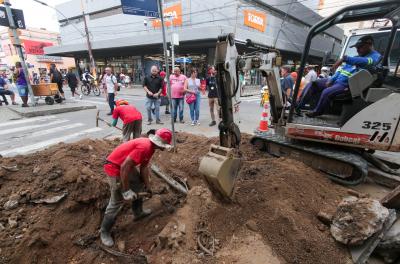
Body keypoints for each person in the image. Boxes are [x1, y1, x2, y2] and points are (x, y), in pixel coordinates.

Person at [100, 128, 172, 247]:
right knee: (116, 200)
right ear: (160, 143)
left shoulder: (151, 148)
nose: (165, 148)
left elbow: (143, 167)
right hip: (114, 167)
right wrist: (127, 190)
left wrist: (148, 186)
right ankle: (104, 232)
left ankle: (138, 212)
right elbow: (124, 167)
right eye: (165, 145)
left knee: (139, 183)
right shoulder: (144, 147)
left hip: (124, 165)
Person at [297, 35, 381, 117]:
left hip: (347, 85)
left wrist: (345, 59)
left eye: (360, 47)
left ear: (369, 45)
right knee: (313, 84)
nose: (357, 50)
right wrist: (332, 79)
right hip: (336, 81)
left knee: (326, 92)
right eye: (356, 48)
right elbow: (341, 70)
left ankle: (317, 112)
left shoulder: (375, 57)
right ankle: (298, 106)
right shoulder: (356, 58)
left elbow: (367, 62)